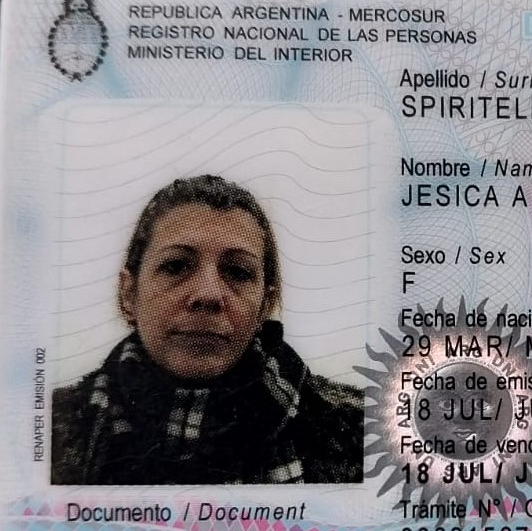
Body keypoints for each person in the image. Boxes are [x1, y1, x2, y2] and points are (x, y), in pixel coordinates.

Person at [51, 175, 364, 484]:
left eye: (237, 272)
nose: (208, 294)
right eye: (176, 266)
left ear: (264, 306)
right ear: (129, 294)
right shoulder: (45, 428)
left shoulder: (363, 432)